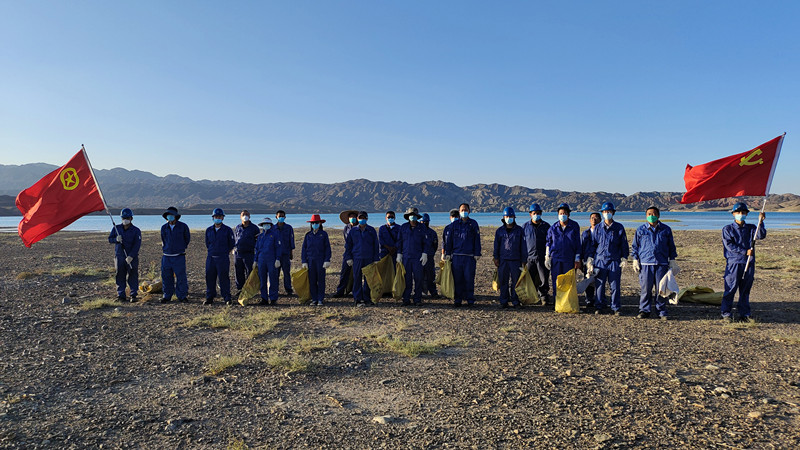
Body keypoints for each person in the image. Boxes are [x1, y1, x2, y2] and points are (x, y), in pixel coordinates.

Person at [721, 202, 766, 323]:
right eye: (738, 212)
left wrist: (761, 222)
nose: (741, 214)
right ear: (733, 214)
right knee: (730, 289)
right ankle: (726, 313)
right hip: (734, 263)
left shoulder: (751, 228)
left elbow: (761, 235)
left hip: (748, 263)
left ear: (746, 214)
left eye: (743, 212)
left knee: (745, 290)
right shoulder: (727, 229)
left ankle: (744, 313)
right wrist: (744, 251)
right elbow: (729, 245)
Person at [631, 206, 679, 320]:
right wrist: (635, 259)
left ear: (658, 215)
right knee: (645, 289)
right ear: (646, 216)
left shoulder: (666, 230)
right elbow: (635, 246)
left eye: (653, 214)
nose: (651, 216)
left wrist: (672, 260)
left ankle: (661, 311)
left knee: (661, 289)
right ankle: (644, 310)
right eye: (649, 214)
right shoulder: (641, 230)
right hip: (645, 264)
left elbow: (671, 246)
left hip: (661, 263)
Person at [590, 203, 629, 315]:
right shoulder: (598, 228)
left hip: (614, 260)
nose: (606, 214)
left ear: (613, 213)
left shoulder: (619, 228)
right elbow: (593, 245)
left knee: (615, 285)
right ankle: (599, 306)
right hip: (600, 261)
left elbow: (623, 244)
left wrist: (624, 257)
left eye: (609, 212)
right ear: (602, 213)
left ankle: (615, 307)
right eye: (604, 212)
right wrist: (590, 259)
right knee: (599, 285)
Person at [444, 203, 481, 307]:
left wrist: (477, 253)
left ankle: (470, 300)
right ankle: (458, 300)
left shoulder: (473, 224)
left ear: (469, 211)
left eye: (465, 210)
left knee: (469, 279)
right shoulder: (454, 225)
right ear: (459, 212)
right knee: (457, 279)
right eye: (462, 210)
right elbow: (449, 240)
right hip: (457, 256)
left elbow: (477, 239)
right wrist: (448, 253)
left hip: (469, 256)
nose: (464, 212)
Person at [545, 203, 582, 304]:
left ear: (568, 214)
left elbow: (577, 243)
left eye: (565, 213)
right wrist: (547, 257)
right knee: (556, 281)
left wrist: (577, 259)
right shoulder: (553, 228)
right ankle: (557, 302)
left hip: (569, 259)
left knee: (568, 281)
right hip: (556, 259)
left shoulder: (574, 226)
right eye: (561, 213)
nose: (563, 215)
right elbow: (548, 243)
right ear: (558, 214)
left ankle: (568, 303)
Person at [493, 207, 527, 308]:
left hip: (516, 260)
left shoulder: (520, 230)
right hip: (503, 260)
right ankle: (504, 301)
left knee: (515, 282)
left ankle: (515, 301)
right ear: (504, 218)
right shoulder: (499, 231)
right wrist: (496, 257)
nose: (509, 218)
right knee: (503, 281)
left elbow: (523, 246)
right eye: (507, 216)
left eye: (511, 216)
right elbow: (496, 245)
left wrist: (524, 260)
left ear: (514, 217)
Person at [344, 211, 380, 306]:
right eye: (360, 218)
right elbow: (348, 245)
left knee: (368, 279)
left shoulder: (371, 230)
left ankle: (367, 298)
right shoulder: (353, 231)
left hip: (369, 258)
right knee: (357, 278)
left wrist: (376, 258)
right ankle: (357, 298)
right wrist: (348, 257)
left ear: (367, 219)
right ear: (357, 219)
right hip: (357, 258)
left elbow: (376, 245)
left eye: (364, 218)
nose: (362, 220)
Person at [108, 208, 141, 302]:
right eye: (123, 218)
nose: (125, 220)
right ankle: (121, 295)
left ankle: (133, 295)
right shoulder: (116, 228)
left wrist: (131, 256)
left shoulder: (136, 230)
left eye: (127, 218)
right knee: (120, 275)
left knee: (133, 275)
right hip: (119, 256)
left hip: (132, 257)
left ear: (131, 218)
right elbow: (110, 239)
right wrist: (116, 239)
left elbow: (137, 245)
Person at [397, 207, 428, 306]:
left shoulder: (422, 227)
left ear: (417, 217)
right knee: (407, 278)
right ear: (408, 217)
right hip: (406, 257)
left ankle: (417, 299)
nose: (412, 217)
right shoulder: (403, 227)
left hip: (418, 257)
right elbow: (399, 241)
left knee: (418, 278)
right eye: (411, 215)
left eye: (414, 215)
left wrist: (425, 253)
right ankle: (406, 298)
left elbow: (426, 242)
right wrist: (399, 254)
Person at [204, 208, 235, 305]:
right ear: (213, 218)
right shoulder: (209, 230)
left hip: (222, 258)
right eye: (216, 217)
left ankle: (226, 297)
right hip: (211, 258)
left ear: (222, 218)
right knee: (210, 277)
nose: (218, 218)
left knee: (224, 277)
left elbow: (231, 244)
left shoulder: (227, 230)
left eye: (220, 217)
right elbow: (207, 243)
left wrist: (224, 252)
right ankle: (210, 297)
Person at [160, 206, 191, 303]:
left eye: (172, 215)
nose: (170, 217)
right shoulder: (164, 228)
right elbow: (163, 239)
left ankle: (182, 296)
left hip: (179, 256)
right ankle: (167, 296)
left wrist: (180, 247)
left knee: (181, 277)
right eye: (168, 215)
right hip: (166, 256)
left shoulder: (183, 226)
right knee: (166, 277)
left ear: (176, 216)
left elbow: (187, 239)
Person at [523, 203, 551, 305]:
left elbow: (550, 241)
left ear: (541, 213)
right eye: (534, 213)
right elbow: (522, 242)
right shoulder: (525, 227)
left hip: (542, 257)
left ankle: (543, 297)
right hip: (529, 258)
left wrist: (548, 256)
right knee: (529, 279)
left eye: (538, 213)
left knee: (544, 278)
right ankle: (531, 296)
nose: (536, 215)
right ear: (530, 214)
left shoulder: (546, 226)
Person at [301, 214, 332, 306]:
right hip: (310, 260)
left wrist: (327, 260)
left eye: (316, 223)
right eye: (313, 223)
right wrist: (304, 261)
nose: (315, 224)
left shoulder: (324, 234)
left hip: (321, 260)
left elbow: (327, 248)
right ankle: (314, 299)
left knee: (321, 280)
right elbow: (304, 249)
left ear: (320, 223)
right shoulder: (308, 235)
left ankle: (320, 299)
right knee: (312, 280)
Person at [255, 218, 283, 305]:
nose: (266, 226)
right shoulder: (260, 236)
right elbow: (257, 249)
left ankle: (273, 298)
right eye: (264, 224)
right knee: (262, 279)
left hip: (271, 259)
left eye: (267, 224)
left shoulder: (275, 235)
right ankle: (264, 298)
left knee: (273, 279)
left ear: (270, 225)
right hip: (261, 260)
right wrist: (255, 260)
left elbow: (278, 248)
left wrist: (278, 259)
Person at [334, 210, 358, 297]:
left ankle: (356, 292)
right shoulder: (346, 228)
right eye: (351, 217)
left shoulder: (360, 228)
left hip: (357, 252)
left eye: (354, 217)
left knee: (357, 273)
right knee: (344, 272)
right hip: (348, 252)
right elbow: (346, 240)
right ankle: (340, 291)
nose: (352, 218)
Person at [233, 210, 259, 292]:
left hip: (249, 253)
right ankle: (240, 289)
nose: (245, 216)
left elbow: (258, 242)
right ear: (240, 217)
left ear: (249, 216)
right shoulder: (238, 227)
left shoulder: (254, 228)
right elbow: (235, 238)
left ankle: (249, 289)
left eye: (247, 214)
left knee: (250, 272)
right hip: (238, 253)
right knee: (238, 272)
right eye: (243, 215)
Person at [580, 212, 600, 310]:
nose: (594, 220)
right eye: (592, 218)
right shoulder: (585, 233)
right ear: (589, 220)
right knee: (588, 280)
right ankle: (589, 300)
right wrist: (580, 260)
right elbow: (581, 247)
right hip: (587, 261)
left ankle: (599, 300)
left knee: (599, 281)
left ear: (600, 220)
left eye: (596, 218)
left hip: (600, 260)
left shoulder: (602, 232)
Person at [275, 210, 295, 296]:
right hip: (276, 255)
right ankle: (275, 289)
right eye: (279, 216)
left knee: (286, 272)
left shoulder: (289, 228)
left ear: (285, 217)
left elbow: (291, 240)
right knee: (275, 273)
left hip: (286, 254)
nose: (281, 218)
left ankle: (288, 289)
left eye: (282, 216)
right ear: (276, 217)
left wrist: (291, 252)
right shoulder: (273, 228)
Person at [419, 213, 439, 299]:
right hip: (419, 257)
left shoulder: (432, 233)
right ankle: (422, 292)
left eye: (426, 222)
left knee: (431, 275)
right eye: (423, 222)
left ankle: (433, 292)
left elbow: (435, 245)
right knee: (420, 275)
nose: (424, 223)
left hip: (429, 257)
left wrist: (430, 253)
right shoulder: (417, 232)